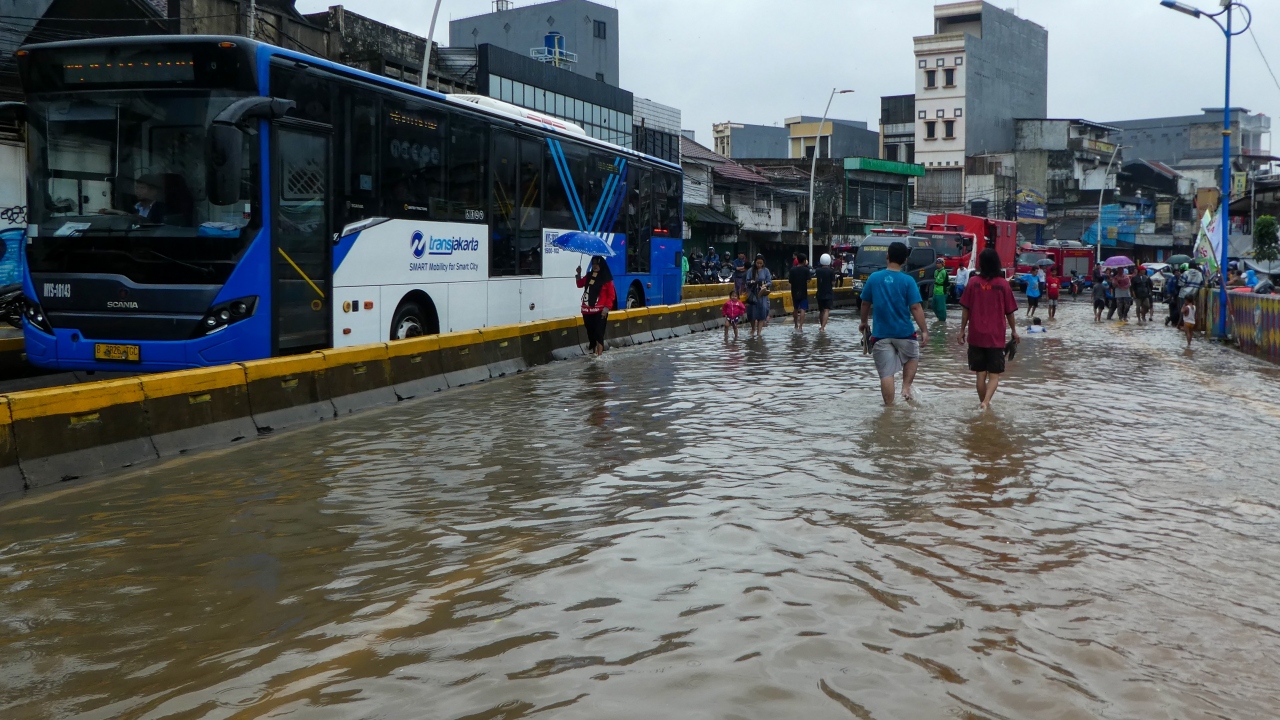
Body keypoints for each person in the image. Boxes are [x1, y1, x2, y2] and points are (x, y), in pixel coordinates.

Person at [859, 242, 930, 406]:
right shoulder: (908, 281)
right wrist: (924, 330)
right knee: (912, 356)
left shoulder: (874, 278)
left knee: (886, 374)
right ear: (905, 260)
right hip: (904, 333)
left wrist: (863, 322)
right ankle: (906, 388)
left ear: (887, 256)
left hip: (881, 335)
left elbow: (865, 303)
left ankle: (889, 409)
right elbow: (915, 307)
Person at [958, 248, 1020, 410]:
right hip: (995, 337)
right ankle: (986, 403)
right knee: (994, 375)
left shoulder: (973, 283)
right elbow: (1010, 312)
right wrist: (1014, 331)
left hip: (976, 335)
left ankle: (982, 403)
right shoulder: (1003, 285)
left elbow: (966, 309)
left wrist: (962, 330)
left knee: (980, 374)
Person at [576, 255, 615, 357]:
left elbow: (611, 295)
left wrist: (606, 309)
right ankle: (594, 353)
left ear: (601, 265)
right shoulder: (589, 276)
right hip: (587, 311)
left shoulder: (606, 279)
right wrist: (578, 274)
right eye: (593, 264)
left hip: (600, 311)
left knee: (599, 333)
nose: (595, 266)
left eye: (597, 263)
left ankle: (599, 356)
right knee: (591, 333)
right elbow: (580, 284)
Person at [100, 173, 168, 220]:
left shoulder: (161, 209)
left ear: (153, 191)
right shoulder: (132, 207)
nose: (138, 191)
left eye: (142, 188)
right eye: (137, 188)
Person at [745, 255, 773, 338]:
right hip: (753, 293)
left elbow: (769, 282)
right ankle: (753, 328)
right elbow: (747, 281)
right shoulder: (750, 270)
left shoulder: (766, 271)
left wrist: (765, 285)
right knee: (752, 312)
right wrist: (752, 282)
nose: (759, 265)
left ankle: (759, 331)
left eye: (761, 263)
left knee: (762, 311)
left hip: (762, 294)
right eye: (758, 263)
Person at [815, 253, 838, 332]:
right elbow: (833, 283)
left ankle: (821, 325)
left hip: (820, 293)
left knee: (821, 310)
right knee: (826, 310)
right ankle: (823, 328)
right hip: (828, 293)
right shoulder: (831, 271)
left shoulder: (818, 270)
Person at [790, 253, 813, 331]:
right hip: (803, 291)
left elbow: (790, 281)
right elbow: (809, 280)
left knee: (795, 308)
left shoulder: (792, 270)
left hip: (794, 291)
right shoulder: (806, 270)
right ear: (804, 261)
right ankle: (801, 327)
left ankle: (796, 325)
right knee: (803, 309)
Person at [931, 257, 949, 322]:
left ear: (942, 264)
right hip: (935, 291)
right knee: (933, 305)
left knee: (941, 308)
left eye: (939, 263)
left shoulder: (944, 272)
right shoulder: (935, 271)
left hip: (941, 292)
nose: (937, 264)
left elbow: (947, 282)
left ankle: (942, 320)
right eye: (937, 263)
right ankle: (939, 317)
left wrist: (946, 291)